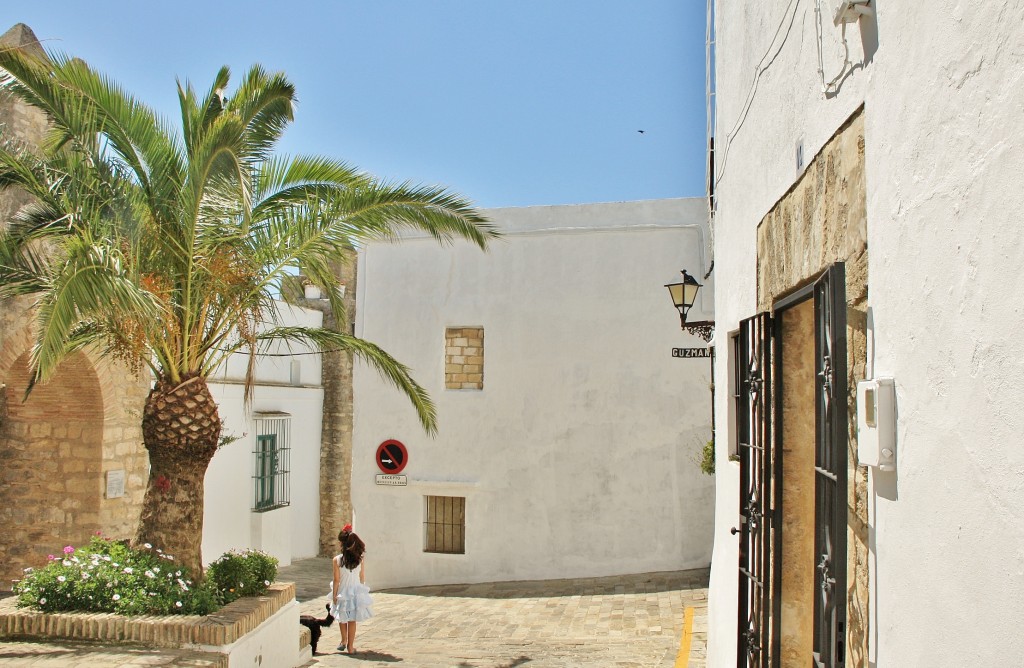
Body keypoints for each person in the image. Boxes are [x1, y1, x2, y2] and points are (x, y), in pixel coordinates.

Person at [330, 525, 373, 653]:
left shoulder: (337, 560)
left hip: (342, 592)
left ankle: (343, 640)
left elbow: (337, 580)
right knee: (352, 620)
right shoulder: (360, 559)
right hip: (355, 593)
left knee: (342, 617)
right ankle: (350, 646)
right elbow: (362, 576)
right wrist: (362, 591)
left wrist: (334, 595)